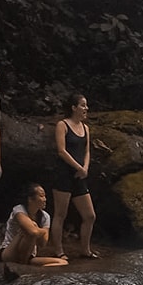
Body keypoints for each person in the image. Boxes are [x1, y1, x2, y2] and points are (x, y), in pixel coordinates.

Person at [50, 93, 99, 259]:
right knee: (60, 214)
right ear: (73, 107)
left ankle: (85, 250)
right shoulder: (62, 125)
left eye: (86, 105)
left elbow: (87, 151)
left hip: (80, 175)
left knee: (90, 215)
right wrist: (78, 167)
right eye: (83, 105)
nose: (86, 108)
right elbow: (61, 151)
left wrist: (85, 168)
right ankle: (59, 251)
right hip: (64, 174)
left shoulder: (85, 128)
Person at [0, 182, 68, 272]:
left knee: (62, 262)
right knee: (28, 233)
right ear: (30, 199)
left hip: (28, 255)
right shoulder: (19, 210)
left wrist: (36, 229)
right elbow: (32, 232)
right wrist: (42, 231)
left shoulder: (45, 216)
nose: (45, 199)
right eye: (41, 196)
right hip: (9, 252)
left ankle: (32, 270)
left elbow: (42, 243)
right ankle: (23, 265)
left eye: (45, 196)